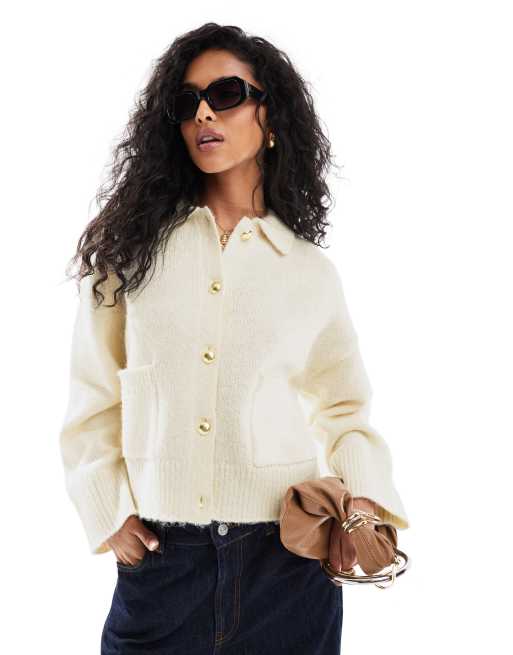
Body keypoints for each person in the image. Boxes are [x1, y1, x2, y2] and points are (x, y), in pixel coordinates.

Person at [59, 22, 410, 654]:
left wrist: (364, 501)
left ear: (270, 115)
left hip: (288, 569)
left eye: (225, 94)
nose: (203, 113)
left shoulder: (306, 270)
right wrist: (108, 513)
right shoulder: (129, 255)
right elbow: (93, 396)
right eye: (186, 102)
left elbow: (344, 409)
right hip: (162, 565)